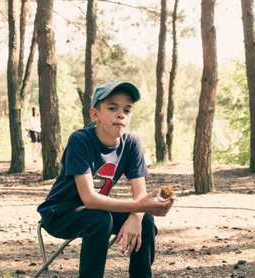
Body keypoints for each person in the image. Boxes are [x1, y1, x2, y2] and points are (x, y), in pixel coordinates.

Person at [37, 80, 174, 278]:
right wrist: (137, 207)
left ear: (131, 117)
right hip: (59, 213)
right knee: (100, 218)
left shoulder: (131, 144)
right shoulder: (80, 140)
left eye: (127, 110)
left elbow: (140, 195)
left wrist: (138, 214)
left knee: (145, 221)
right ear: (95, 115)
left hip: (97, 212)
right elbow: (89, 199)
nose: (121, 114)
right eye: (112, 108)